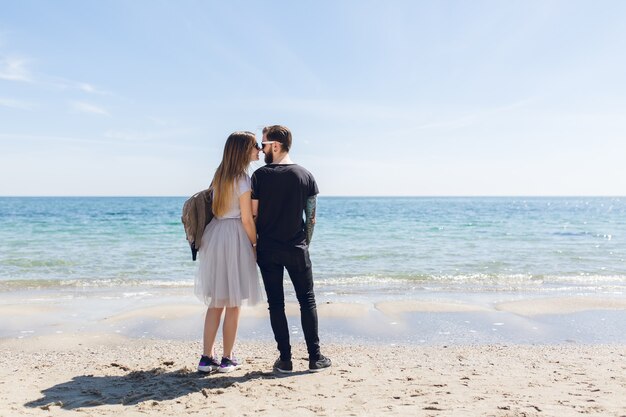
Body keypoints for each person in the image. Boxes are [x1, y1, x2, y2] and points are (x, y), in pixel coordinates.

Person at [251, 125, 331, 373]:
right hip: (297, 248)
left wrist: (255, 245)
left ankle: (285, 360)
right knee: (307, 301)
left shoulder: (260, 176)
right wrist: (304, 243)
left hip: (268, 249)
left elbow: (253, 215)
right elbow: (312, 217)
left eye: (263, 144)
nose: (261, 149)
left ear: (275, 145)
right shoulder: (305, 175)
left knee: (276, 304)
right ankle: (315, 358)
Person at [194, 131, 262, 373]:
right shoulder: (243, 180)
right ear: (243, 150)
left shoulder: (219, 176)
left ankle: (205, 358)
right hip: (234, 236)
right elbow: (246, 218)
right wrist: (255, 244)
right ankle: (227, 358)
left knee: (216, 302)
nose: (260, 149)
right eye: (255, 145)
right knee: (233, 304)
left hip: (216, 235)